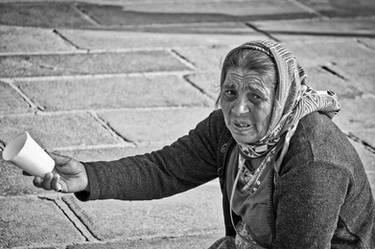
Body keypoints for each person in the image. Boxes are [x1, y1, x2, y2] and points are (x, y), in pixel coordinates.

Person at [30, 40, 375, 249]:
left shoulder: (312, 158)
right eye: (230, 92)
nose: (238, 110)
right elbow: (165, 168)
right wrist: (87, 176)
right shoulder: (226, 128)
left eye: (256, 96)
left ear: (283, 99)